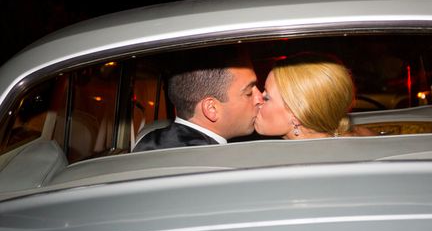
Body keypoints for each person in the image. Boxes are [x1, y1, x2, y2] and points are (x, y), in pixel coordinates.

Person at [133, 48, 263, 151]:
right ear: (211, 108)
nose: (260, 98)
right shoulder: (220, 166)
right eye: (248, 93)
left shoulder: (145, 142)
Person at [255, 51, 376, 139]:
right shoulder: (364, 137)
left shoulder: (290, 166)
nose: (257, 99)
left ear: (297, 115)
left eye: (266, 98)